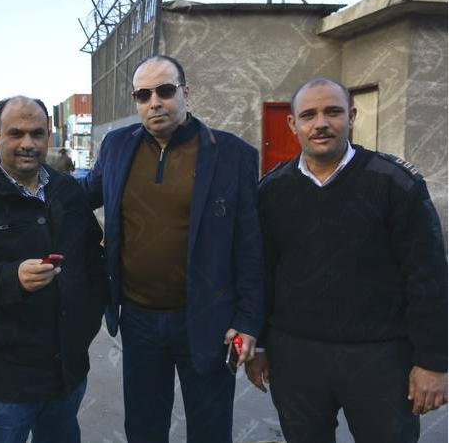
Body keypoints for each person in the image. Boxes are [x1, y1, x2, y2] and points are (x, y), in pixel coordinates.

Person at [248, 77, 448, 443]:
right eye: (308, 115)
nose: (321, 123)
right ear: (293, 124)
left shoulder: (395, 183)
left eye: (333, 112)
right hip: (296, 358)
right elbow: (260, 273)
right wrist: (259, 345)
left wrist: (433, 361)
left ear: (352, 116)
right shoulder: (271, 191)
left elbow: (428, 275)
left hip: (380, 357)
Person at [82, 55, 265, 443]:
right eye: (143, 95)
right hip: (138, 319)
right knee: (143, 429)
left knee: (210, 431)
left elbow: (250, 247)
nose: (155, 103)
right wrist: (30, 182)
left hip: (207, 319)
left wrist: (249, 321)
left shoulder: (233, 155)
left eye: (165, 91)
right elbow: (81, 196)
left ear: (186, 93)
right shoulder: (117, 147)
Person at [0, 95, 108, 443]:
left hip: (66, 372)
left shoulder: (67, 190)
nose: (28, 143)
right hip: (3, 381)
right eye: (16, 133)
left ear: (48, 136)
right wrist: (10, 279)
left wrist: (85, 324)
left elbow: (92, 258)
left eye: (37, 133)